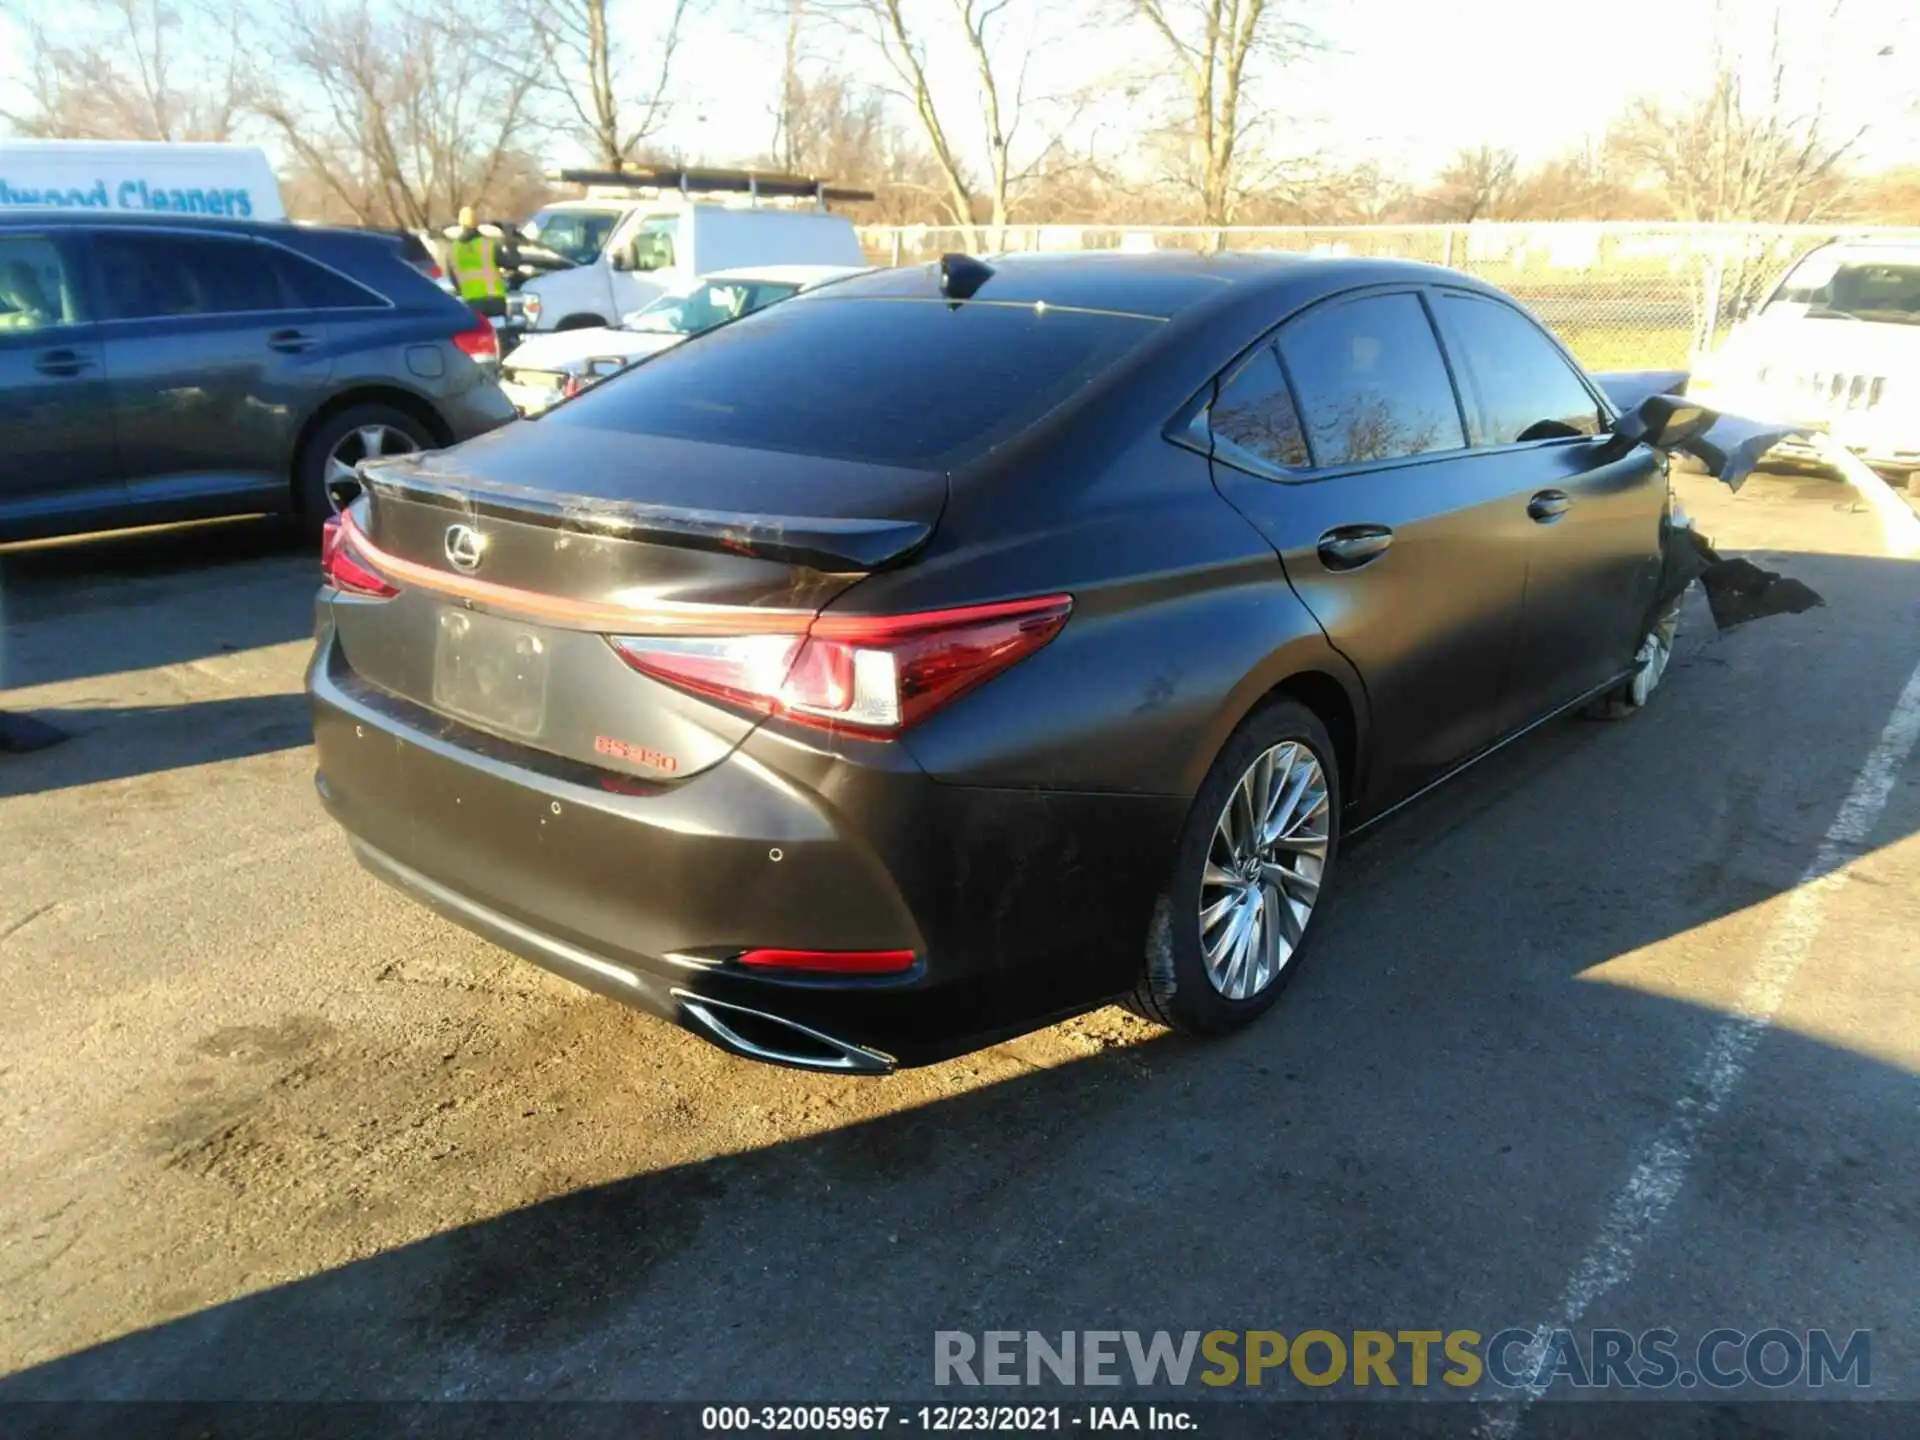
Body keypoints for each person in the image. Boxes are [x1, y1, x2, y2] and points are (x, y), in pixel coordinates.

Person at [444, 205, 507, 318]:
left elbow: (453, 280)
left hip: (472, 303)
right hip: (496, 301)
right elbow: (507, 263)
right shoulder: (489, 244)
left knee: (480, 334)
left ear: (460, 223)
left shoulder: (452, 250)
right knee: (498, 333)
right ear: (477, 222)